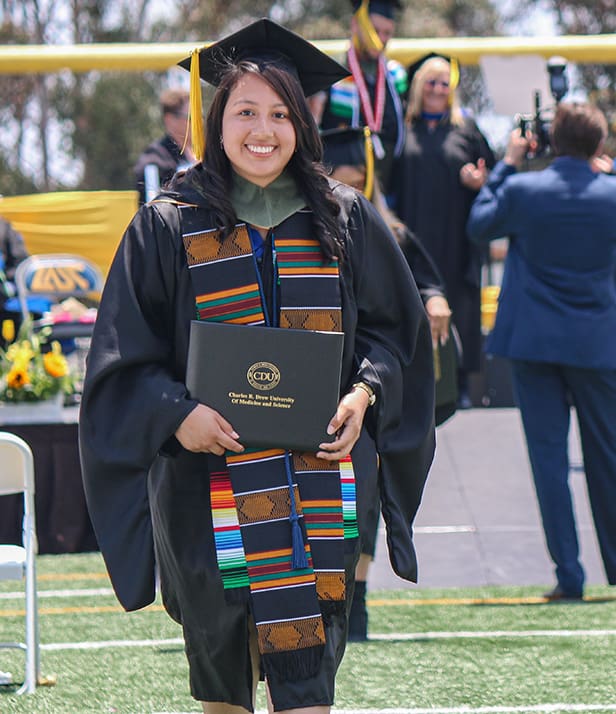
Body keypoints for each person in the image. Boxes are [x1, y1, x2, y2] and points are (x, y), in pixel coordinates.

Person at [79, 18, 435, 713]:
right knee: (222, 678)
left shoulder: (345, 219)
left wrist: (364, 395)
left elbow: (399, 340)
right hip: (203, 486)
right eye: (245, 111)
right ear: (218, 120)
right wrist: (177, 417)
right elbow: (123, 359)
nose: (262, 130)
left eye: (280, 113)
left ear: (302, 124)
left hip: (321, 486)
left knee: (308, 688)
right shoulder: (166, 224)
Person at [467, 101, 616, 601]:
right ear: (598, 145)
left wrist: (507, 163)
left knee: (548, 463)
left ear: (550, 141)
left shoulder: (525, 189)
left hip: (533, 343)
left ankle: (568, 577)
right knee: (607, 461)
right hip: (598, 344)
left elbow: (480, 225)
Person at [321, 125, 453, 640]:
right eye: (340, 178)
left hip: (371, 380)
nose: (348, 187)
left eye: (358, 178)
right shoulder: (307, 226)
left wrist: (436, 297)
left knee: (368, 494)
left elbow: (419, 282)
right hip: (319, 375)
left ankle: (359, 599)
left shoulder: (387, 229)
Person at [392, 53, 495, 408]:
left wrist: (478, 180)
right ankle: (417, 383)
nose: (437, 89)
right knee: (412, 303)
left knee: (461, 306)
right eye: (431, 82)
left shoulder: (465, 129)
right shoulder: (403, 129)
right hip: (414, 236)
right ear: (419, 87)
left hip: (456, 237)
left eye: (443, 82)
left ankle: (462, 384)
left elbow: (492, 176)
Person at [311, 0, 407, 192]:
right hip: (339, 189)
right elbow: (312, 133)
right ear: (356, 24)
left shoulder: (396, 77)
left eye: (387, 33)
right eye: (374, 30)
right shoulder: (331, 73)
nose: (380, 39)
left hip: (386, 189)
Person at [133, 88, 196, 204]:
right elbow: (151, 211)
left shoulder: (200, 154)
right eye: (191, 118)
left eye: (200, 116)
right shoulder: (153, 161)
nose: (198, 123)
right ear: (170, 120)